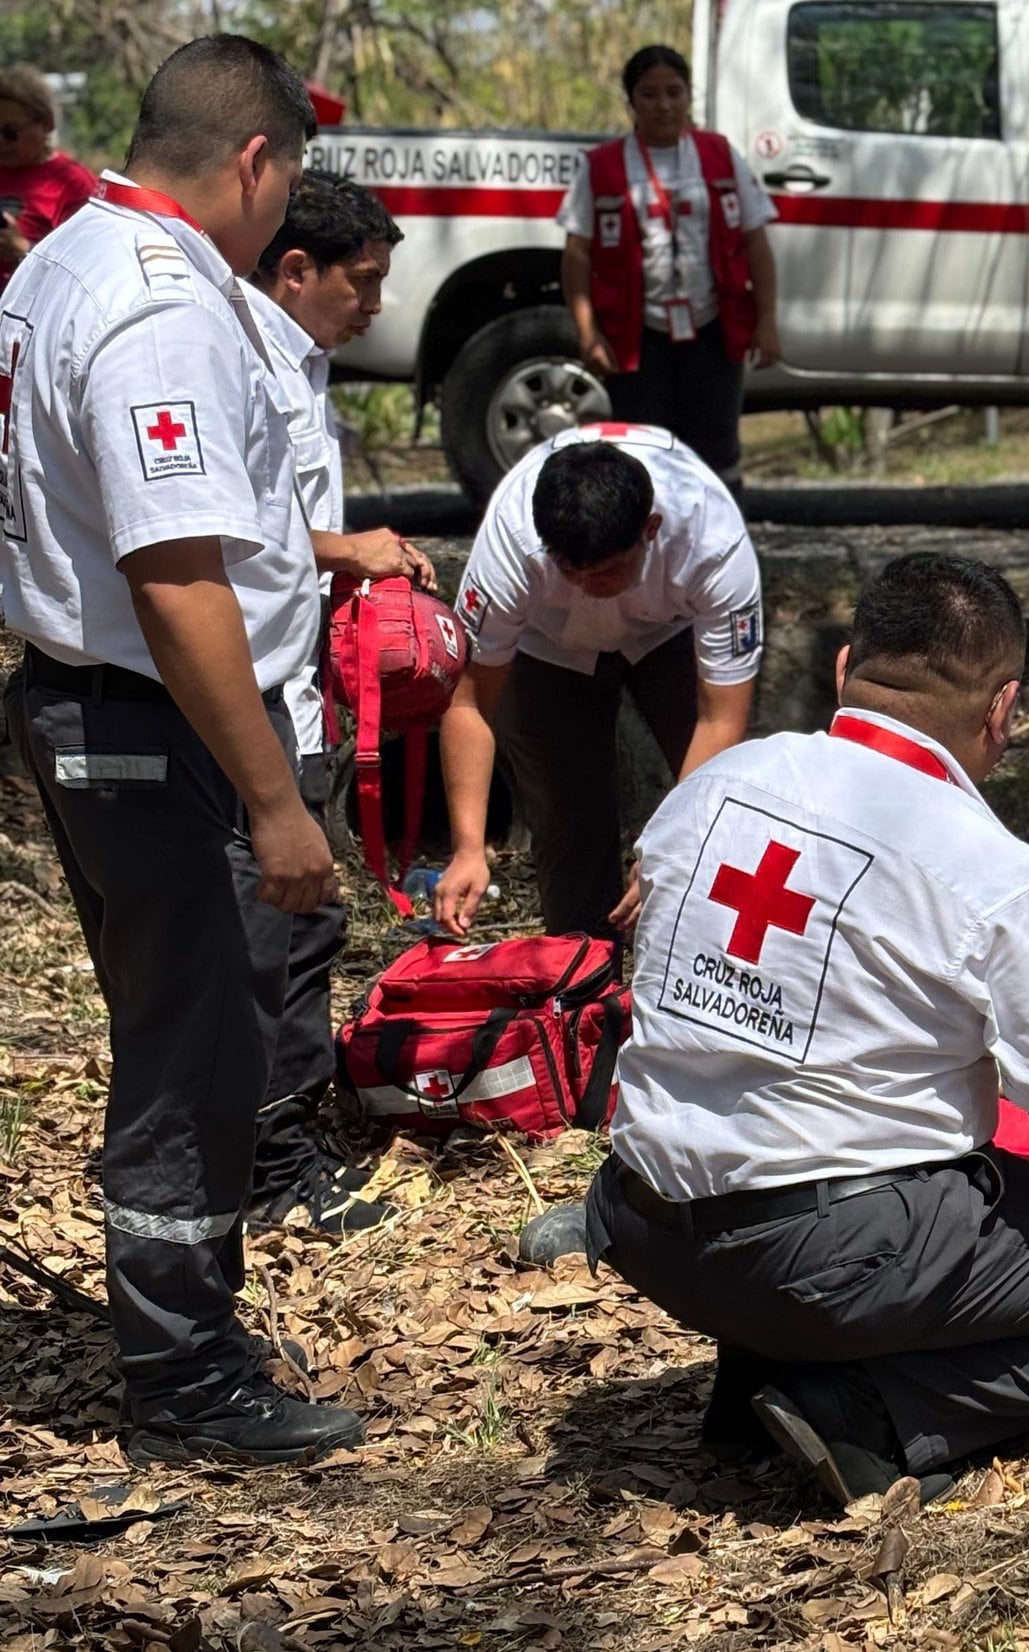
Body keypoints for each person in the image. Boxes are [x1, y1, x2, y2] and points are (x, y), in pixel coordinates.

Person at [579, 551, 1029, 1509]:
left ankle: (759, 1373)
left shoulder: (713, 786)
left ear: (842, 668)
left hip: (638, 1219)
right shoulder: (996, 871)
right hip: (814, 1257)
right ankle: (860, 1411)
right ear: (1004, 707)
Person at [0, 35, 365, 1464]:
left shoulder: (59, 257)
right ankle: (181, 1374)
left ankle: (184, 1322)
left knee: (183, 1027)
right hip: (161, 730)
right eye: (288, 185)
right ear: (256, 163)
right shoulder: (159, 307)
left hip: (91, 708)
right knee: (193, 1048)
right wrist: (275, 801)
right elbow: (177, 574)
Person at [240, 168, 433, 1233]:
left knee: (303, 929)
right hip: (254, 693)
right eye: (361, 281)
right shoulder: (241, 364)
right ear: (296, 269)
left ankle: (277, 1144)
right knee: (284, 930)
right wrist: (341, 547)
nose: (375, 303)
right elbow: (217, 519)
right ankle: (272, 1167)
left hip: (301, 679)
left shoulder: (303, 365)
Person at [436, 424, 764, 939]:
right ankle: (583, 990)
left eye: (607, 571)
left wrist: (670, 846)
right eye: (571, 571)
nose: (591, 588)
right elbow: (468, 704)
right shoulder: (512, 543)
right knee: (570, 825)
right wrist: (469, 848)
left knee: (720, 811)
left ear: (650, 529)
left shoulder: (712, 540)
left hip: (669, 632)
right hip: (548, 647)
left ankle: (698, 969)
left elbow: (721, 717)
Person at [557, 44, 780, 501]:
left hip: (713, 325)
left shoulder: (719, 155)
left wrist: (768, 319)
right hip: (638, 333)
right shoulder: (602, 166)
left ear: (688, 97)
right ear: (632, 101)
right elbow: (578, 252)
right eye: (650, 94)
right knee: (642, 446)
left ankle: (719, 550)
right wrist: (587, 333)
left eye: (674, 92)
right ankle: (645, 551)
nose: (664, 105)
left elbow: (756, 240)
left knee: (716, 445)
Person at [0, 67, 94, 292]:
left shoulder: (74, 184)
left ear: (46, 124)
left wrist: (22, 251)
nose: (0, 142)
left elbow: (87, 270)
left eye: (10, 132)